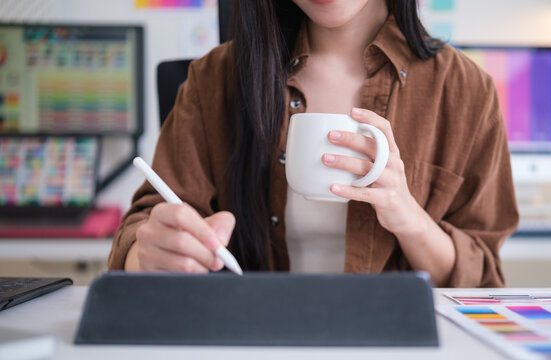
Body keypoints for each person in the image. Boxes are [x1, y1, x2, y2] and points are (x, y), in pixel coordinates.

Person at [108, 0, 519, 287]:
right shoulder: (214, 78)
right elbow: (142, 229)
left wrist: (408, 216)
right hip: (249, 339)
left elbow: (481, 279)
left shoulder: (466, 91)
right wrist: (149, 254)